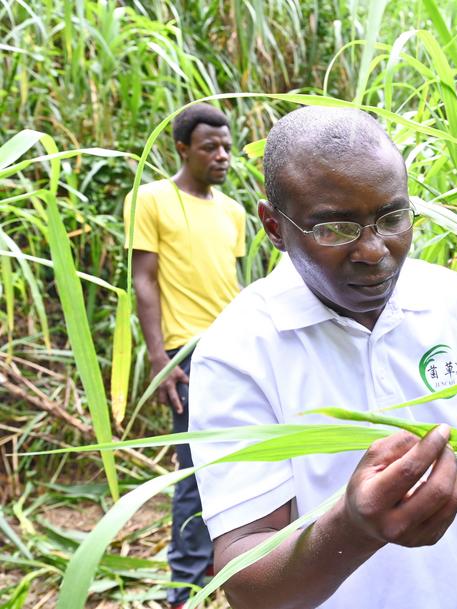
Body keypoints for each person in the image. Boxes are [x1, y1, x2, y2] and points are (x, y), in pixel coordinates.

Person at [187, 106, 457, 609]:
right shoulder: (238, 350)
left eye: (392, 218)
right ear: (274, 227)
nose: (373, 250)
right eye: (334, 229)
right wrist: (353, 529)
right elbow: (245, 580)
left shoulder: (452, 299)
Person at [123, 102, 246, 608]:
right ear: (182, 149)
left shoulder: (233, 211)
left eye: (226, 147)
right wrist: (160, 360)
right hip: (187, 353)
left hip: (236, 348)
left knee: (244, 464)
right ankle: (186, 593)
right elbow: (144, 280)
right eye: (209, 147)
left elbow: (233, 282)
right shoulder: (152, 199)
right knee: (195, 473)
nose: (221, 156)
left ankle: (234, 572)